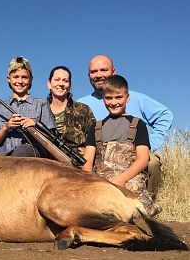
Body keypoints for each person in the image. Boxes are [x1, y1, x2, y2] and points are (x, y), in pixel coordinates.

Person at [78, 55, 173, 196]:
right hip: (100, 154)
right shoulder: (81, 104)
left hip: (135, 150)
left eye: (103, 70)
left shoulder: (136, 98)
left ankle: (149, 199)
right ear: (88, 75)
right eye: (94, 71)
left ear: (114, 72)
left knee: (151, 162)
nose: (98, 75)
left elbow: (165, 115)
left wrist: (149, 144)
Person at [82, 74, 162, 217]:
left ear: (127, 98)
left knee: (135, 211)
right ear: (103, 98)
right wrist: (89, 183)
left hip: (129, 179)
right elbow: (88, 160)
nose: (114, 102)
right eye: (109, 98)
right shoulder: (95, 127)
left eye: (118, 97)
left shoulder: (138, 124)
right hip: (102, 180)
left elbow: (143, 159)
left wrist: (121, 180)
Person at [0, 56, 56, 157]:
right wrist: (6, 127)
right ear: (8, 79)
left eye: (24, 77)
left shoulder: (42, 104)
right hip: (4, 158)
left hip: (34, 157)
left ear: (31, 79)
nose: (20, 81)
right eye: (16, 77)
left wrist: (35, 125)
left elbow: (51, 137)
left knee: (22, 150)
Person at [46, 66, 95, 158]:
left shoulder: (83, 110)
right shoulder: (40, 109)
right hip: (47, 165)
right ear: (49, 83)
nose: (61, 84)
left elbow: (92, 142)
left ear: (70, 86)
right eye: (57, 79)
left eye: (65, 81)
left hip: (76, 165)